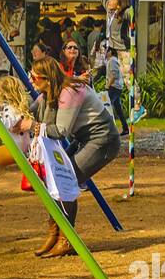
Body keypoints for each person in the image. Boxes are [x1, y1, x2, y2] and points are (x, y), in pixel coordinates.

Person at [16, 58, 119, 258]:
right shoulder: (49, 93)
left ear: (47, 78)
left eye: (35, 78)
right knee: (52, 179)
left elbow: (61, 130)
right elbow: (31, 109)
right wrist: (14, 109)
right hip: (84, 138)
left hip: (102, 139)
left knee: (67, 180)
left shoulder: (69, 92)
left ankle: (66, 239)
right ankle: (55, 232)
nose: (32, 81)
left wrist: (33, 126)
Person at [103, 46, 130, 135]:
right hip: (117, 87)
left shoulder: (112, 61)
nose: (105, 53)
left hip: (114, 87)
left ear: (110, 52)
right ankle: (125, 128)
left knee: (106, 107)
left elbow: (113, 75)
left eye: (106, 51)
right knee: (118, 109)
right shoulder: (114, 60)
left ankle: (108, 130)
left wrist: (107, 86)